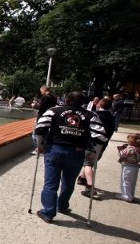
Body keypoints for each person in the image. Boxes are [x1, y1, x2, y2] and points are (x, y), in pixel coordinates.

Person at [33, 91, 107, 223]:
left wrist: (40, 144)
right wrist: (95, 150)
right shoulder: (90, 115)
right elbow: (101, 136)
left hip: (55, 150)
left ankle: (48, 212)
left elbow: (39, 128)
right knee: (69, 182)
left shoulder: (54, 110)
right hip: (77, 153)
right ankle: (62, 205)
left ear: (67, 100)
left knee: (50, 183)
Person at [76, 97, 115, 199]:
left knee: (88, 164)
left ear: (98, 105)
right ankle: (82, 178)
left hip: (91, 143)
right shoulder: (112, 118)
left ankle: (90, 187)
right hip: (102, 145)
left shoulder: (94, 115)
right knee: (89, 162)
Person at [30, 85, 57, 155]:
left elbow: (41, 108)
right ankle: (42, 148)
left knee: (35, 133)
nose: (41, 93)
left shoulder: (45, 97)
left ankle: (39, 149)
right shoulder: (54, 97)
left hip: (42, 117)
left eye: (41, 91)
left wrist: (34, 106)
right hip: (50, 117)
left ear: (44, 90)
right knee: (45, 134)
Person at [115, 133, 140, 203]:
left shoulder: (130, 149)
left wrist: (120, 148)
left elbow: (122, 155)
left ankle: (126, 196)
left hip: (128, 166)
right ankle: (130, 195)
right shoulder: (138, 149)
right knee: (132, 182)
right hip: (135, 167)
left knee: (125, 181)